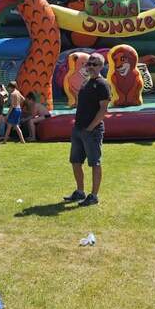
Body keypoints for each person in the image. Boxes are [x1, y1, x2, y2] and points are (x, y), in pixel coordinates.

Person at [63, 53, 109, 206]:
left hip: (92, 131)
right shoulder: (86, 82)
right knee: (75, 161)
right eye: (89, 63)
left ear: (101, 66)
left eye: (94, 64)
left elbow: (103, 110)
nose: (90, 66)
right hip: (78, 128)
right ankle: (80, 192)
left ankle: (94, 196)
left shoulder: (102, 84)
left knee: (94, 163)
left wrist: (90, 127)